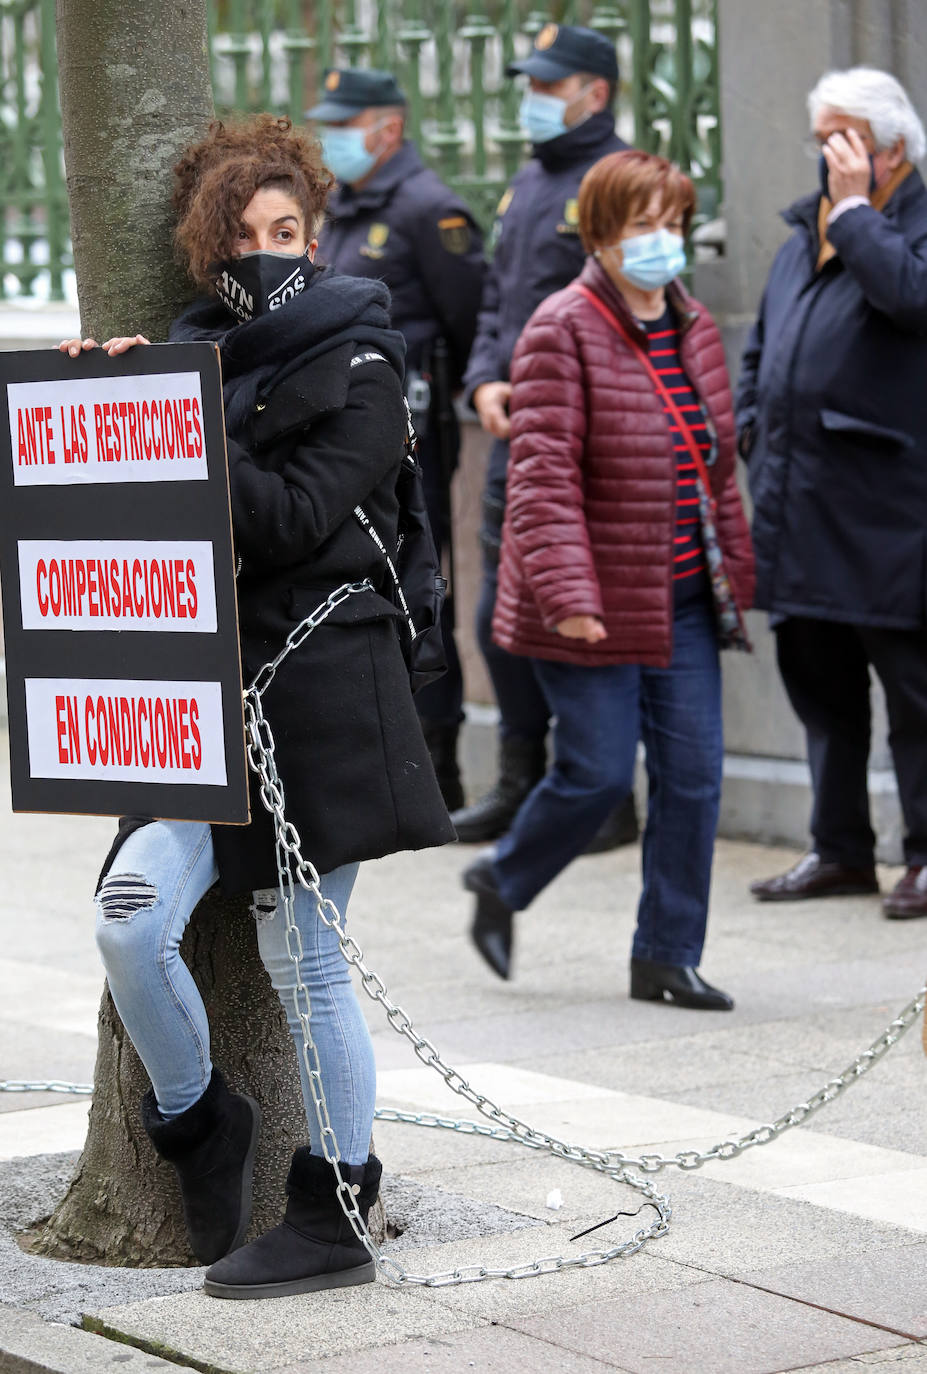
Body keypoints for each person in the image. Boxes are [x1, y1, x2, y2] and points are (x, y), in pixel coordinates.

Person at [60, 114, 454, 1298]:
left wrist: (174, 414)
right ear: (207, 255)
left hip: (321, 692)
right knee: (130, 921)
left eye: (286, 230)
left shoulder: (368, 363)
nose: (266, 253)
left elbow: (291, 519)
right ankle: (197, 1121)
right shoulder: (196, 362)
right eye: (240, 238)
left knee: (306, 960)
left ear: (316, 238)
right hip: (201, 706)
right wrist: (111, 408)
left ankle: (336, 1207)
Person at [462, 149, 755, 1008]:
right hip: (588, 601)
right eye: (641, 225)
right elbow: (542, 480)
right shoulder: (559, 328)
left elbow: (714, 469)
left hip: (682, 598)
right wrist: (568, 599)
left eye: (673, 222)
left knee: (693, 777)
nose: (662, 240)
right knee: (594, 775)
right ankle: (503, 878)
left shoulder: (693, 326)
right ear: (598, 234)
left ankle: (665, 953)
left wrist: (734, 574)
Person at [739, 68, 927, 918]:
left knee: (913, 694)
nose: (827, 157)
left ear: (892, 149)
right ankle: (838, 847)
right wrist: (751, 424)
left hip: (887, 511)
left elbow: (909, 298)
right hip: (799, 501)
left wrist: (854, 214)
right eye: (821, 140)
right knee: (819, 685)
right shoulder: (802, 231)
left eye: (842, 140)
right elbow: (763, 344)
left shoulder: (894, 226)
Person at [452, 23, 638, 852]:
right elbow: (498, 300)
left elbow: (637, 312)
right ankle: (520, 780)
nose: (531, 99)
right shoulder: (528, 182)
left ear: (594, 93)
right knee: (502, 612)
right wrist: (484, 381)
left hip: (587, 442)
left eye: (547, 86)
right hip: (517, 434)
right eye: (528, 84)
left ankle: (602, 793)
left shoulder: (620, 180)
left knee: (583, 616)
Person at [304, 67, 486, 810]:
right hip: (339, 435)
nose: (332, 138)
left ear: (389, 128)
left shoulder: (429, 210)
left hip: (413, 434)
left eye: (346, 124)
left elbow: (469, 321)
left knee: (418, 582)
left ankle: (438, 761)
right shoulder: (340, 208)